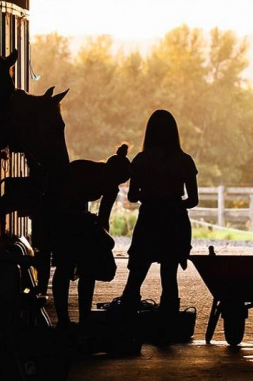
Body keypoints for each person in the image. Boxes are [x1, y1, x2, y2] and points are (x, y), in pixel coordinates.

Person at [121, 110, 199, 318]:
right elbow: (193, 200)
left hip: (149, 218)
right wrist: (173, 202)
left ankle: (125, 322)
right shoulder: (185, 161)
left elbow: (132, 197)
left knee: (136, 274)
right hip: (174, 220)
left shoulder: (141, 160)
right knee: (169, 275)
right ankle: (168, 324)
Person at [51, 144, 131, 328]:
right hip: (61, 215)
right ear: (108, 171)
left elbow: (104, 219)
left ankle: (84, 319)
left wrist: (103, 243)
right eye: (114, 181)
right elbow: (61, 201)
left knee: (88, 268)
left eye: (117, 183)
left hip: (78, 218)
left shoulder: (110, 185)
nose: (114, 185)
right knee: (65, 266)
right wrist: (83, 219)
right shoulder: (82, 169)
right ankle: (64, 320)